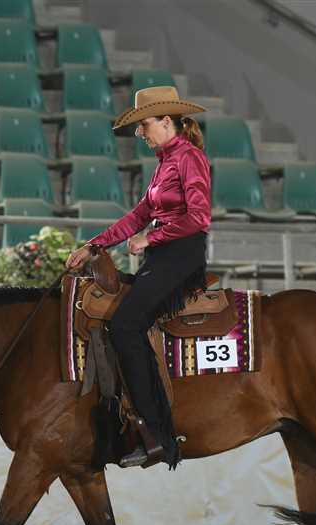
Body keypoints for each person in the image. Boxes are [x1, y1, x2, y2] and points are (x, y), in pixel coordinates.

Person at [66, 86, 211, 470]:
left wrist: (152, 238)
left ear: (166, 121)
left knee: (126, 324)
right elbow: (138, 215)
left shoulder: (190, 158)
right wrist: (94, 245)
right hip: (162, 257)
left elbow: (199, 218)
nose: (139, 133)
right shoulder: (166, 163)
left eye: (144, 124)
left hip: (181, 257)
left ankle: (154, 432)